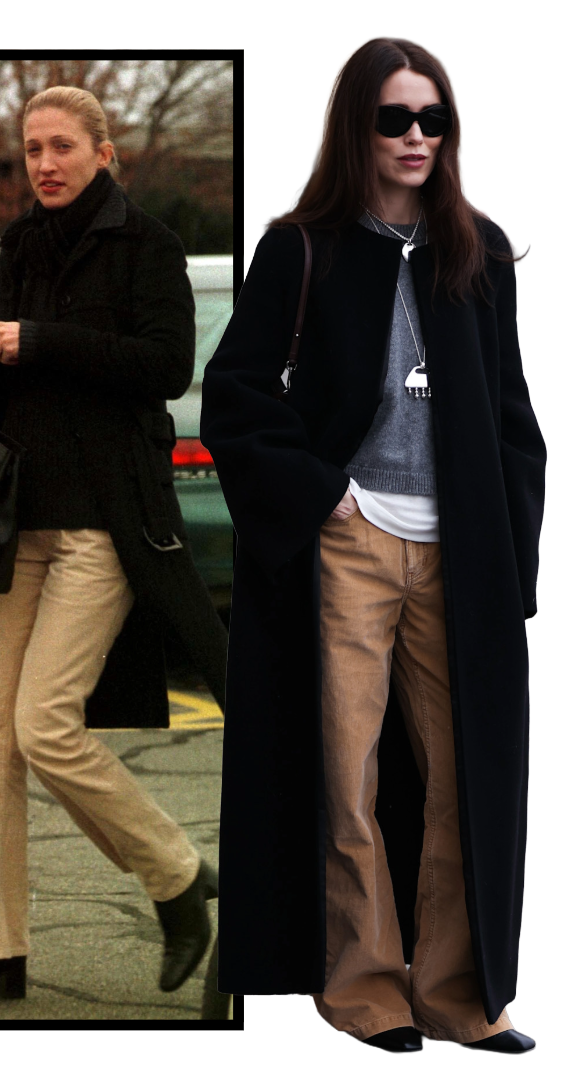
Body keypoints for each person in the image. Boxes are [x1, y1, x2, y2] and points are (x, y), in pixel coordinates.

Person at [200, 38, 543, 1053]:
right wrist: (323, 497)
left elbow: (514, 420)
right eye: (396, 119)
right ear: (359, 125)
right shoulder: (301, 246)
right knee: (344, 773)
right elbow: (237, 397)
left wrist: (513, 561)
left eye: (433, 119)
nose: (416, 138)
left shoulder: (477, 248)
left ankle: (453, 989)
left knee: (460, 775)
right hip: (349, 546)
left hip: (459, 558)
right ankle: (362, 983)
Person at [0, 86, 228, 1005]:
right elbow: (26, 377)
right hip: (14, 522)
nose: (45, 163)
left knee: (46, 725)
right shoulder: (18, 243)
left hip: (104, 526)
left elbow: (165, 367)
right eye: (33, 149)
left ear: (103, 152)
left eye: (62, 147)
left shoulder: (149, 246)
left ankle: (176, 876)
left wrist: (37, 340)